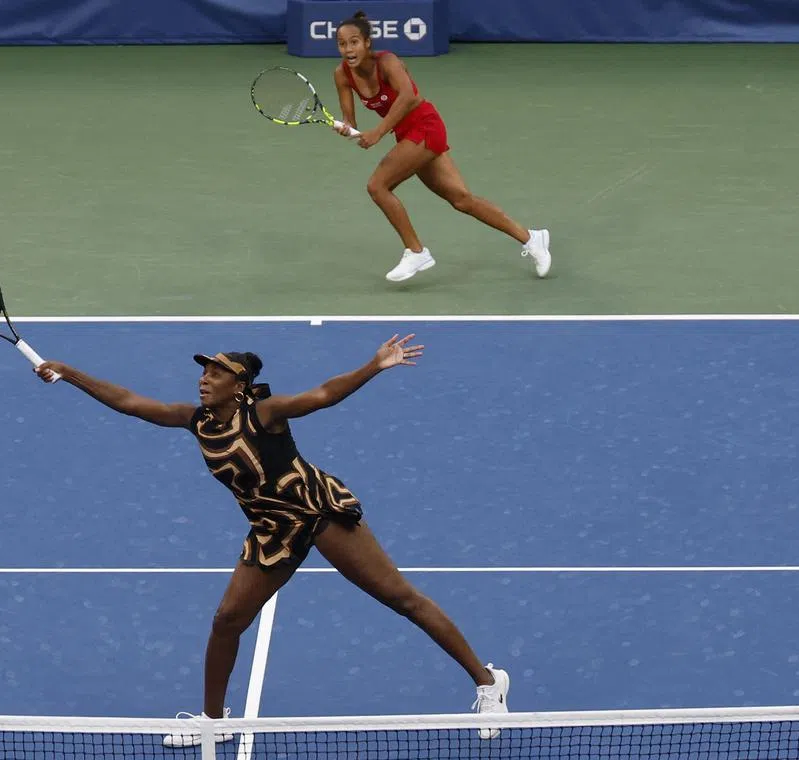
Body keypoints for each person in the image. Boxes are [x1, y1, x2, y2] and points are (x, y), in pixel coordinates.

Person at [32, 335, 510, 745]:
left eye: (216, 373)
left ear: (238, 387)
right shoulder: (195, 420)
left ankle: (489, 683)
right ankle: (213, 724)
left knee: (401, 598)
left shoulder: (267, 413)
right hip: (271, 531)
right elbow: (131, 403)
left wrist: (374, 366)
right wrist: (70, 372)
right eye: (205, 371)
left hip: (318, 513)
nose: (205, 378)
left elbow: (323, 395)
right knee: (226, 621)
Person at [333, 10, 552, 283]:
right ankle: (532, 238)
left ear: (367, 43)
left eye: (354, 42)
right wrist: (346, 128)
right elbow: (349, 120)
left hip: (425, 126)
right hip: (407, 135)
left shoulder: (387, 62)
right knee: (462, 200)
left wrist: (377, 132)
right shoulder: (342, 75)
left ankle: (416, 251)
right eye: (342, 44)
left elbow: (411, 98)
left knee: (377, 186)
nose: (348, 49)